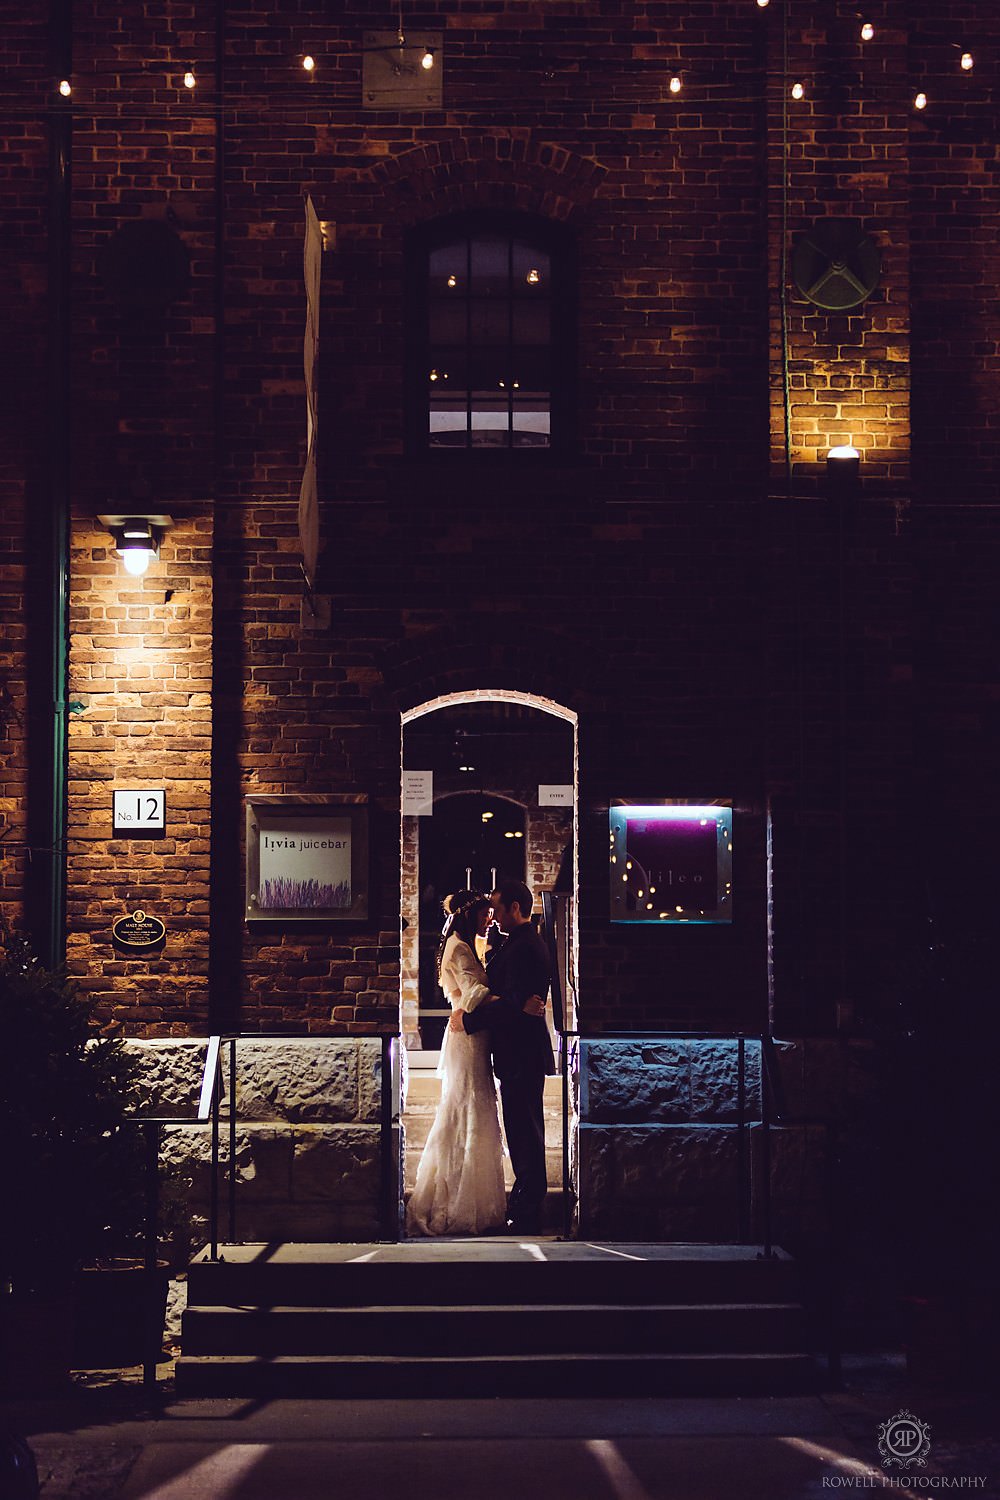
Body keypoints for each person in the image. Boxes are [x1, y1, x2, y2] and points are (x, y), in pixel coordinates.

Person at [450, 877, 554, 1234]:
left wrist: (470, 1019)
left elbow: (512, 1005)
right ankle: (525, 1202)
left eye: (497, 907)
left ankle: (527, 1210)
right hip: (518, 1053)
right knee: (523, 1130)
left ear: (514, 907)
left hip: (521, 1053)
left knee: (525, 1132)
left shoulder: (525, 946)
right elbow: (513, 1000)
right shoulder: (517, 943)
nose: (492, 916)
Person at [406, 891, 511, 1236]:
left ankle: (469, 1197)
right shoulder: (460, 947)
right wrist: (510, 1000)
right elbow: (472, 992)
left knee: (469, 1105)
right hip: (467, 1034)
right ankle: (459, 1202)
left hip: (467, 1033)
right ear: (469, 916)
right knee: (467, 1107)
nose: (488, 920)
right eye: (483, 915)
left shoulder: (458, 944)